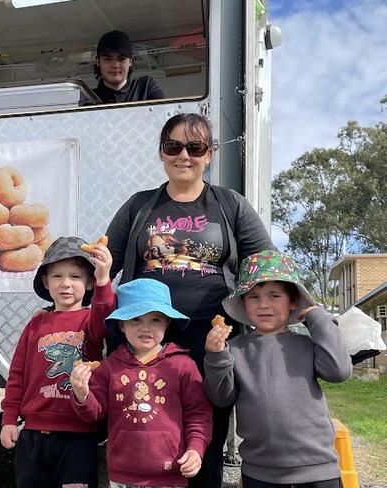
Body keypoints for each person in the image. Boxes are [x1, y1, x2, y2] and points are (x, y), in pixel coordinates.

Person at [105, 112, 275, 487]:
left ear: (209, 154)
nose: (184, 155)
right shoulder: (139, 206)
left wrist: (289, 316)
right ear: (161, 154)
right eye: (174, 146)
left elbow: (265, 266)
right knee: (145, 425)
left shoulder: (230, 205)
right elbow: (107, 266)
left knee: (206, 431)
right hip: (147, 337)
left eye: (195, 146)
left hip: (212, 341)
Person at [204, 250, 353, 487]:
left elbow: (339, 371)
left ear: (293, 300)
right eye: (254, 297)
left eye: (274, 295)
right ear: (243, 302)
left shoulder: (307, 344)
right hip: (260, 472)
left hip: (318, 469)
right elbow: (221, 398)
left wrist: (319, 318)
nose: (264, 304)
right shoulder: (234, 349)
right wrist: (215, 355)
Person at [71, 278, 213, 488]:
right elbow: (95, 412)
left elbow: (198, 413)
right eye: (135, 319)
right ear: (121, 324)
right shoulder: (110, 366)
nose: (145, 328)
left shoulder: (182, 365)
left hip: (170, 473)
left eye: (155, 319)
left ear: (167, 323)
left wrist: (195, 449)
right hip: (122, 474)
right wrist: (81, 394)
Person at [0, 236, 116, 488]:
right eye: (57, 276)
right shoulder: (35, 324)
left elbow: (106, 314)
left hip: (78, 436)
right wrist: (9, 419)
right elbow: (17, 374)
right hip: (32, 435)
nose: (65, 283)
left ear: (88, 283)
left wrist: (104, 277)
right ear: (45, 281)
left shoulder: (91, 322)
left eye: (75, 276)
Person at [93, 30, 165, 103]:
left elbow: (165, 110)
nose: (115, 65)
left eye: (121, 59)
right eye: (108, 59)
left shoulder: (145, 88)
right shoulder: (89, 99)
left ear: (130, 61)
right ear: (98, 62)